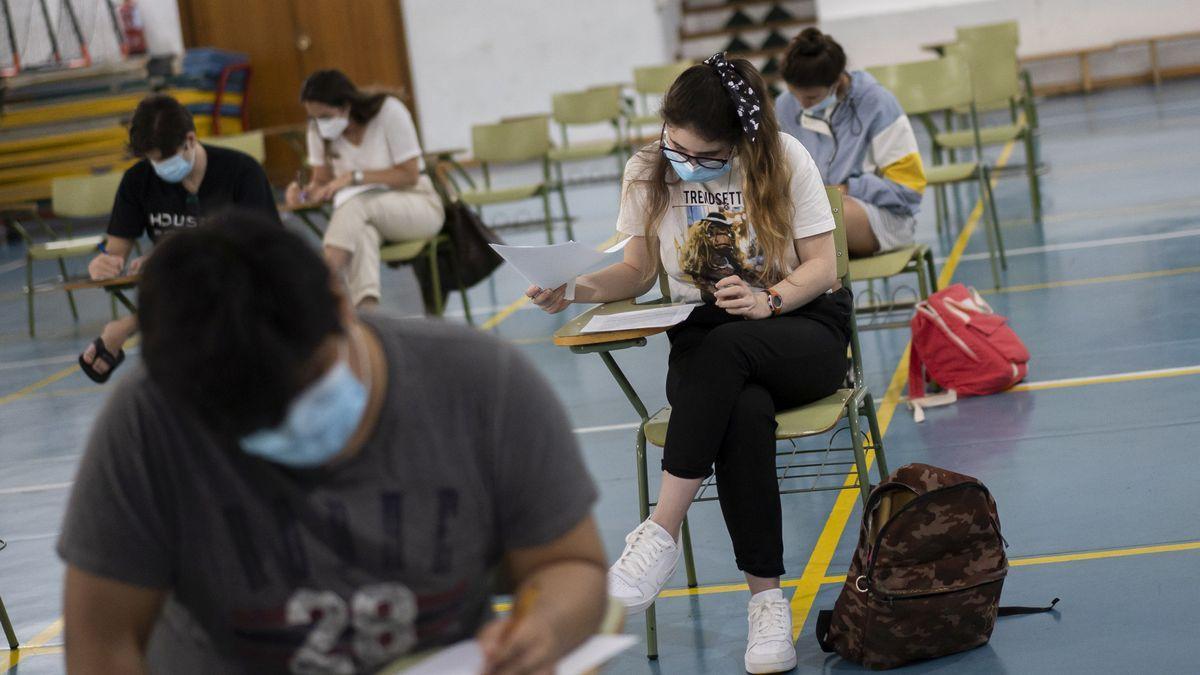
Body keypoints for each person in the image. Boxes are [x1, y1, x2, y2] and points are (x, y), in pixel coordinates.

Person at [57, 210, 606, 674]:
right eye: (254, 421)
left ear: (340, 304)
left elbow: (570, 567)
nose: (288, 424)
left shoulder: (481, 386)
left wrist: (545, 628)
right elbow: (100, 641)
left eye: (304, 390)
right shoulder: (152, 415)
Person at [527, 53, 851, 675]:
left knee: (731, 353)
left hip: (799, 328)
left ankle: (659, 531)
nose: (685, 164)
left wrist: (767, 299)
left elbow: (823, 266)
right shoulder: (649, 170)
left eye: (704, 157)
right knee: (742, 409)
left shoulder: (784, 159)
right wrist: (573, 289)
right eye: (676, 146)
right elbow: (637, 271)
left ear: (741, 141)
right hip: (705, 345)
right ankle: (767, 608)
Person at [78, 94, 279, 383]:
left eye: (164, 159)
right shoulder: (137, 182)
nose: (158, 167)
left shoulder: (242, 172)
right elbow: (116, 248)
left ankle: (129, 327)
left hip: (245, 289)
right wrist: (105, 262)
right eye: (151, 160)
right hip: (178, 293)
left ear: (190, 139)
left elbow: (264, 247)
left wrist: (171, 254)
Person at [285, 70, 444, 308]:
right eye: (314, 117)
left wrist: (354, 177)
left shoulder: (389, 112)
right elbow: (321, 180)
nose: (320, 124)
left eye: (326, 116)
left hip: (417, 204)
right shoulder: (318, 130)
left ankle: (318, 283)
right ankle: (368, 317)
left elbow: (410, 175)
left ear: (346, 105)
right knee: (362, 235)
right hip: (367, 215)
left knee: (356, 206)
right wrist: (303, 193)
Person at [775, 28, 926, 257]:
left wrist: (847, 189)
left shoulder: (877, 103)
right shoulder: (786, 105)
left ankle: (823, 284)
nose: (801, 105)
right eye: (794, 94)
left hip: (883, 215)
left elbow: (908, 190)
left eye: (811, 98)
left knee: (829, 212)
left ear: (837, 81)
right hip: (813, 211)